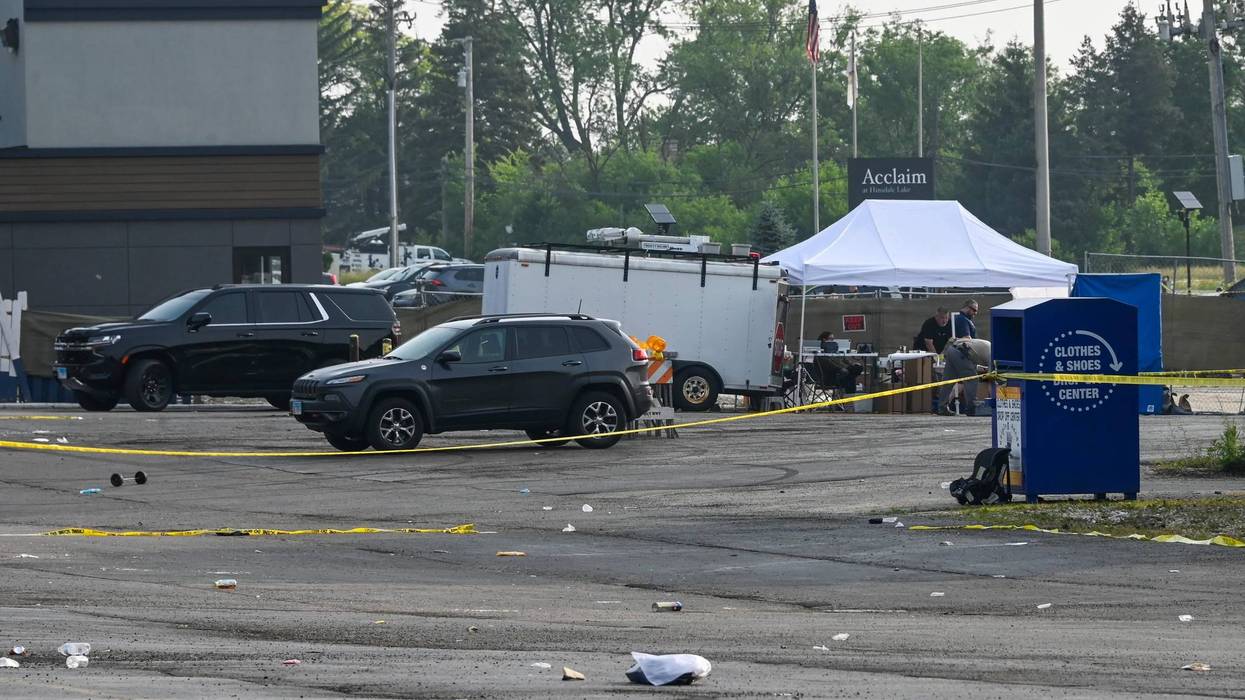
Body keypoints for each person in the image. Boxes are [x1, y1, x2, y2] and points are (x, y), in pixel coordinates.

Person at [939, 337, 991, 416]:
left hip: (952, 349)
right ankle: (971, 408)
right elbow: (991, 378)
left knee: (947, 381)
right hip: (962, 352)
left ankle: (942, 407)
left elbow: (974, 360)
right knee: (971, 380)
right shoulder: (992, 355)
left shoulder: (988, 345)